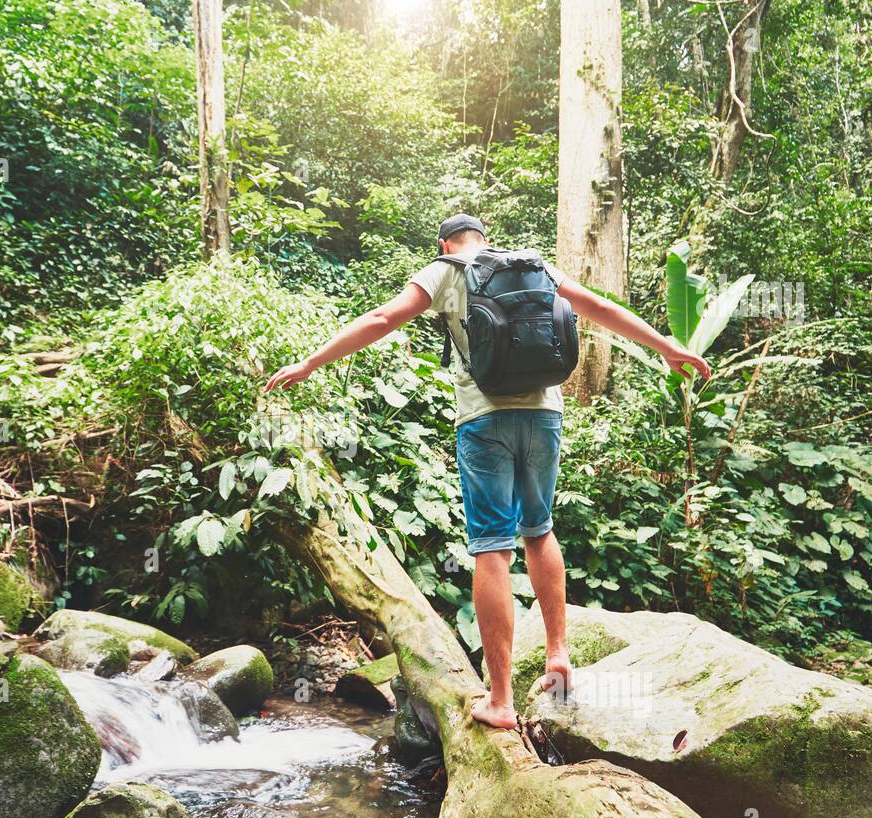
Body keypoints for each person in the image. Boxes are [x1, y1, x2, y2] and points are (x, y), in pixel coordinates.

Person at [265, 214, 710, 729]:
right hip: (545, 415)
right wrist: (667, 347)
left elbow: (382, 320)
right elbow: (598, 307)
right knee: (539, 531)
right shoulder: (532, 265)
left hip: (484, 420)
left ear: (444, 243)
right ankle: (558, 655)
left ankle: (500, 701)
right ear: (486, 240)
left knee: (492, 547)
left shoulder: (445, 270)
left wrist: (309, 364)